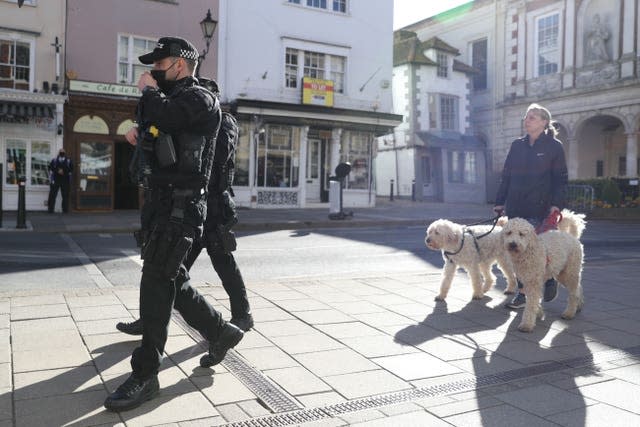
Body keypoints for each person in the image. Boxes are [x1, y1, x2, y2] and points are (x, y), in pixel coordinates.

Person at [103, 36, 243, 412]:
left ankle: (146, 373)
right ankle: (220, 330)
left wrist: (149, 94)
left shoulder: (201, 99)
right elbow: (159, 131)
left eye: (158, 66)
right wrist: (138, 134)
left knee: (155, 283)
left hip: (182, 209)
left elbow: (167, 117)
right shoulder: (173, 100)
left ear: (179, 64)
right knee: (172, 280)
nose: (152, 73)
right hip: (161, 205)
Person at [116, 101, 254, 336]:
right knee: (170, 267)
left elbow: (216, 159)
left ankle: (242, 315)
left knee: (222, 262)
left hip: (214, 208)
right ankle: (148, 319)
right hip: (192, 204)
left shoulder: (222, 122)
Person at [493, 103, 568, 309]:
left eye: (532, 117)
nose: (527, 120)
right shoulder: (517, 145)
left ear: (544, 122)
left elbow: (560, 180)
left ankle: (549, 277)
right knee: (517, 254)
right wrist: (500, 202)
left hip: (541, 209)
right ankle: (523, 293)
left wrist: (556, 205)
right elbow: (506, 175)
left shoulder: (554, 147)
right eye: (526, 117)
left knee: (538, 251)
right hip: (516, 208)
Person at [47, 148, 73, 213]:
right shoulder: (54, 160)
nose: (62, 153)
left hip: (65, 180)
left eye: (63, 152)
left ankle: (65, 210)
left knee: (65, 196)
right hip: (55, 180)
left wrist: (63, 171)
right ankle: (50, 210)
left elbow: (71, 169)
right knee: (52, 195)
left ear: (65, 153)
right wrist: (57, 171)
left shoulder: (69, 161)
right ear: (59, 153)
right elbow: (50, 168)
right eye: (61, 152)